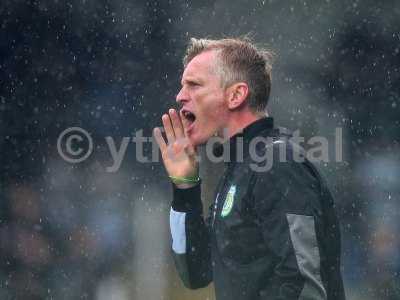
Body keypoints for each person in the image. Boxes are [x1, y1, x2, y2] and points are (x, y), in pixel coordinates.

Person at [153, 37, 345, 300]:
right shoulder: (241, 168)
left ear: (235, 95)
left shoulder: (277, 161)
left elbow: (305, 285)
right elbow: (195, 272)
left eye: (194, 85)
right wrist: (185, 187)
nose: (180, 96)